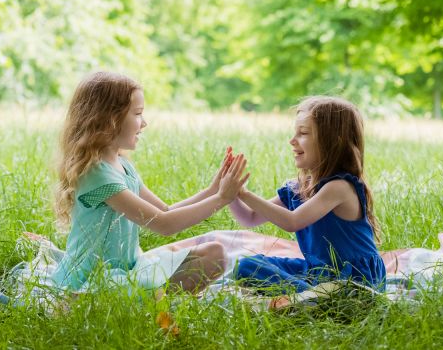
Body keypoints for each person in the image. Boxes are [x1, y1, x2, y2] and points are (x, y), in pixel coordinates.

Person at [51, 71, 249, 294]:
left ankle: (150, 296)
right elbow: (164, 224)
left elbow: (164, 210)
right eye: (137, 114)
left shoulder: (122, 165)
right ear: (109, 119)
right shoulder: (97, 175)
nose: (144, 123)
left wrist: (213, 190)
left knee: (214, 254)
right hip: (93, 280)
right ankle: (136, 299)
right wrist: (222, 198)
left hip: (129, 268)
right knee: (209, 257)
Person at [228, 96, 385, 293]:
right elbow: (249, 218)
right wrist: (230, 194)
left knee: (258, 272)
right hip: (319, 273)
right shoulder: (298, 188)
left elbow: (292, 221)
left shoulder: (340, 187)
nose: (292, 141)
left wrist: (243, 192)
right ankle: (314, 297)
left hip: (355, 280)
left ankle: (319, 300)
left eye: (303, 133)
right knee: (248, 266)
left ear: (332, 142)